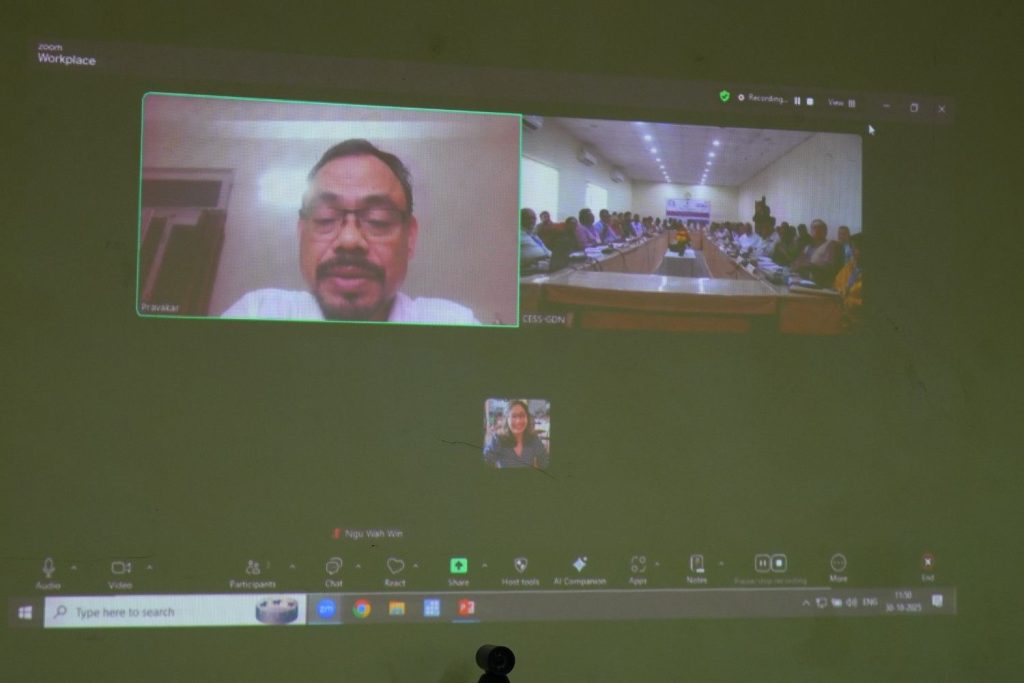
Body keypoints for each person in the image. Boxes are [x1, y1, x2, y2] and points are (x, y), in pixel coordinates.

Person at [222, 139, 479, 324]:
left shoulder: (454, 325)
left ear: (410, 237)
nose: (349, 239)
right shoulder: (257, 313)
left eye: (378, 220)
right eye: (325, 217)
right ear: (301, 232)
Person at [483, 400, 549, 469]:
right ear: (507, 419)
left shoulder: (534, 439)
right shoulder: (498, 440)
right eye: (513, 416)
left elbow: (545, 462)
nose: (518, 421)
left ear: (527, 418)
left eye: (522, 415)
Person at [791, 219, 842, 286]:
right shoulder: (808, 246)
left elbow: (829, 269)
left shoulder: (831, 245)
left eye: (820, 228)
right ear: (811, 231)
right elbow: (797, 263)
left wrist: (809, 265)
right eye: (814, 228)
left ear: (825, 232)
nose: (817, 230)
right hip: (803, 280)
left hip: (820, 283)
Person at [833, 232, 862, 329]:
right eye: (851, 247)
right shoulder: (850, 266)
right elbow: (837, 283)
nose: (852, 251)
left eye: (856, 248)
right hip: (840, 316)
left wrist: (846, 301)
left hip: (857, 323)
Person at [519, 207, 552, 273]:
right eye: (528, 218)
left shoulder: (533, 235)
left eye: (534, 218)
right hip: (532, 270)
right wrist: (535, 267)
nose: (532, 221)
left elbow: (546, 251)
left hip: (546, 264)